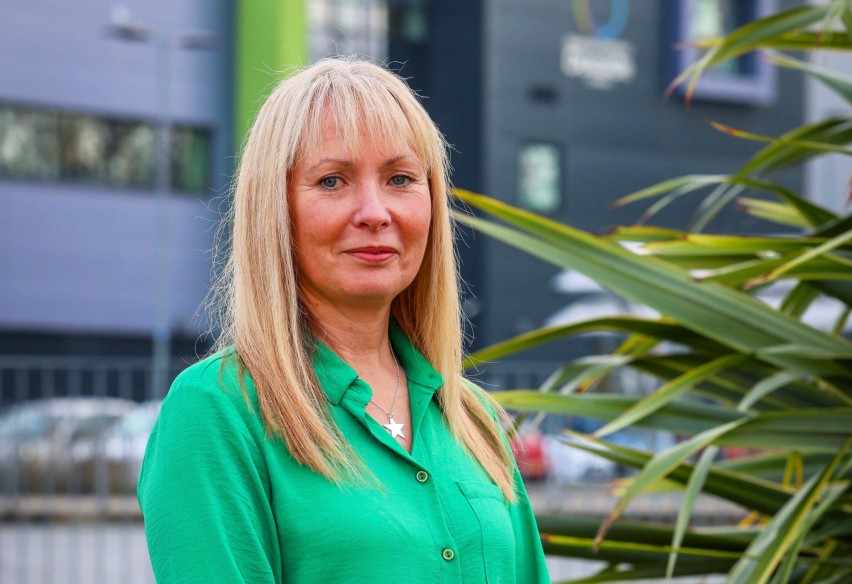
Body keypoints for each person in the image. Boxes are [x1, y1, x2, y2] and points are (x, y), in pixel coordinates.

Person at [138, 57, 551, 583]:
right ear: (275, 208)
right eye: (332, 181)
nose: (375, 212)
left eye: (400, 178)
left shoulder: (475, 420)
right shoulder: (218, 411)